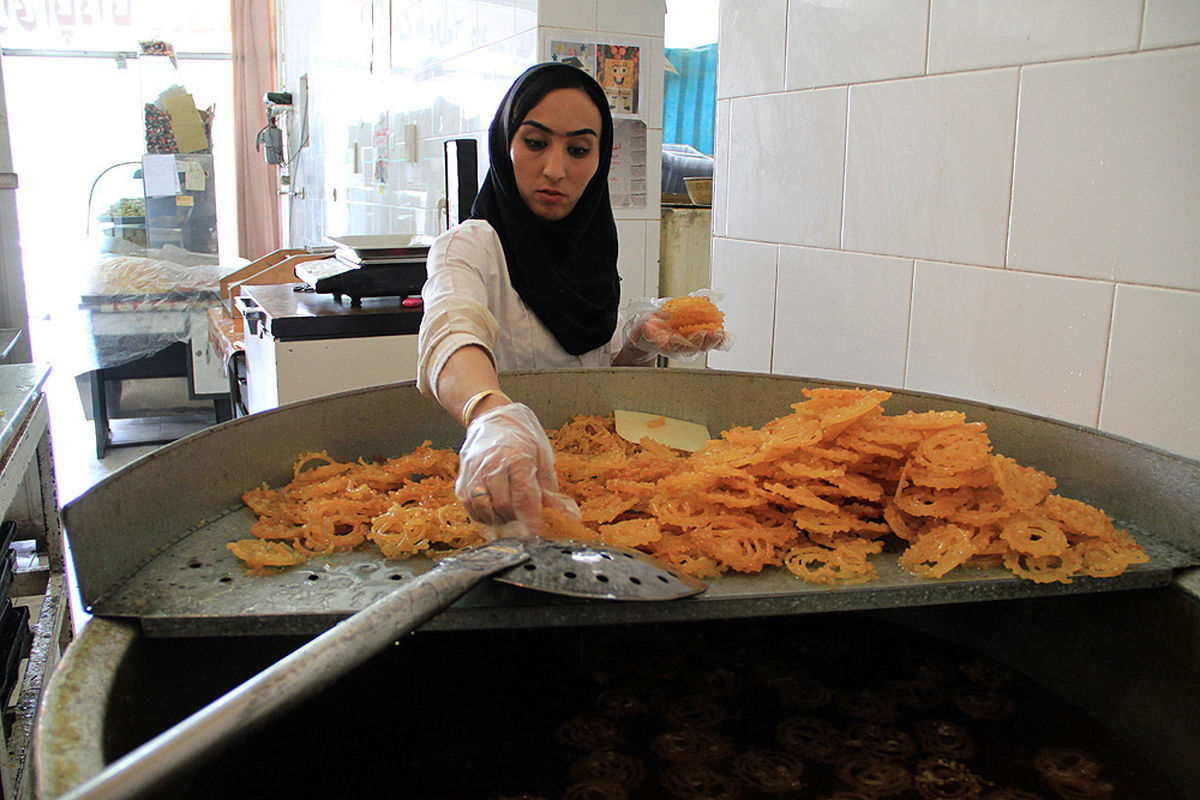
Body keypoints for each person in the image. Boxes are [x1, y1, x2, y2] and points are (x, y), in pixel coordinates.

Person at [417, 61, 725, 538]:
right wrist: (491, 417)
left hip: (599, 502)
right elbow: (449, 334)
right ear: (505, 144)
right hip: (505, 501)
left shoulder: (593, 246)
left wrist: (640, 345)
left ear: (599, 160)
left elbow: (593, 391)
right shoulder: (472, 246)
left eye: (578, 150)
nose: (556, 170)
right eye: (535, 143)